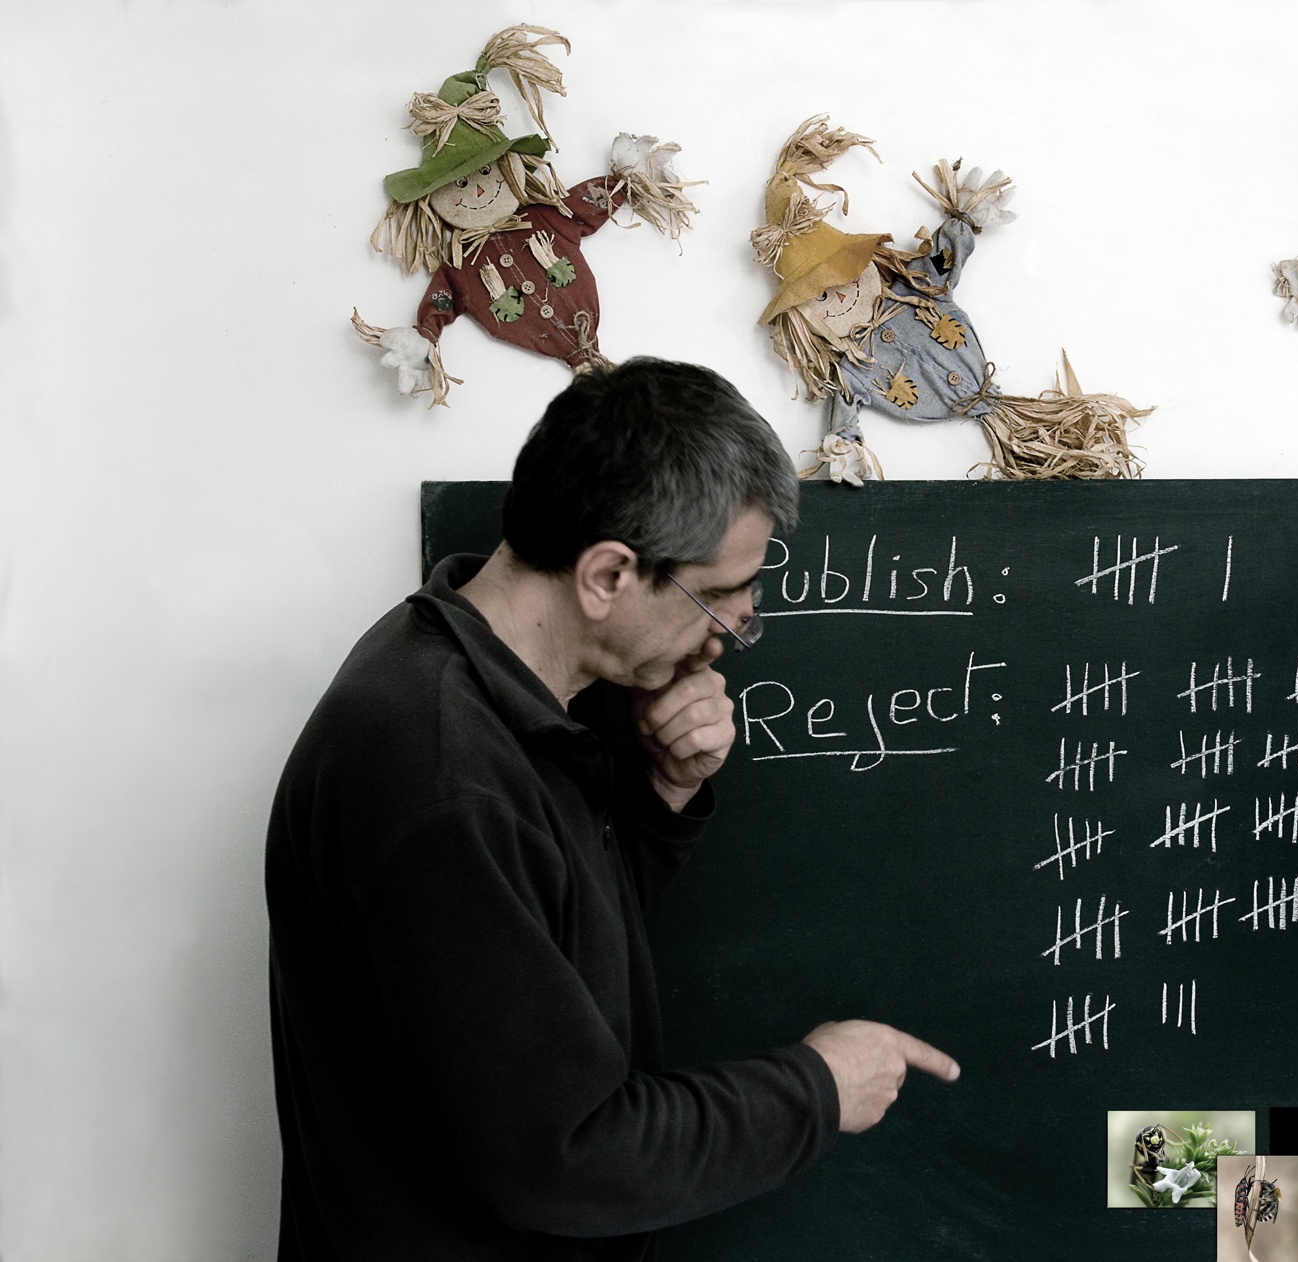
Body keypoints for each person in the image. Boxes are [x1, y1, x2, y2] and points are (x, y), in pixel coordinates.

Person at [266, 357, 959, 1259]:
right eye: (717, 595)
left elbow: (535, 954)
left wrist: (662, 795)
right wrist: (817, 1090)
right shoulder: (439, 775)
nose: (732, 628)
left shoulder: (487, 693)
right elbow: (563, 1157)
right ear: (606, 575)